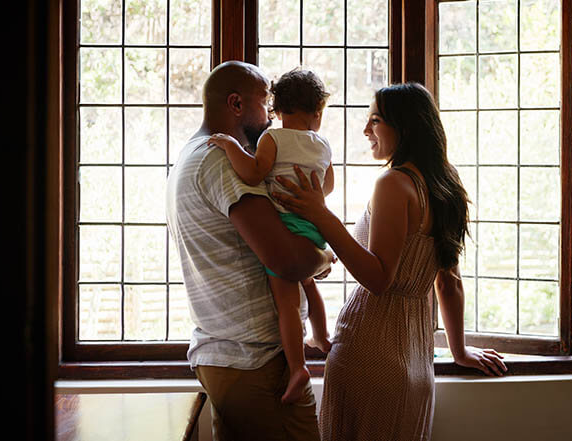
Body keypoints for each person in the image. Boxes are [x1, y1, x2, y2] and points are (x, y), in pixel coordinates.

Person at [273, 82, 509, 441]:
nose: (366, 130)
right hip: (417, 360)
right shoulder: (445, 184)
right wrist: (458, 351)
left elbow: (379, 278)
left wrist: (321, 216)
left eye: (376, 121)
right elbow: (449, 282)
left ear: (405, 126)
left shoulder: (394, 184)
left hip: (369, 351)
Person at [165, 61, 333, 441]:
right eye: (265, 103)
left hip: (226, 355)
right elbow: (286, 260)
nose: (272, 115)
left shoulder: (190, 156)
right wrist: (324, 257)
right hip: (256, 363)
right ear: (236, 104)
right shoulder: (222, 159)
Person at [206, 68, 335, 404]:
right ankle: (321, 336)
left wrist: (231, 146)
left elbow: (252, 172)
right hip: (314, 227)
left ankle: (297, 368)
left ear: (276, 111)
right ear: (317, 112)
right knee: (309, 283)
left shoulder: (272, 138)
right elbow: (327, 186)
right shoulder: (323, 145)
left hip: (287, 227)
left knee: (287, 305)